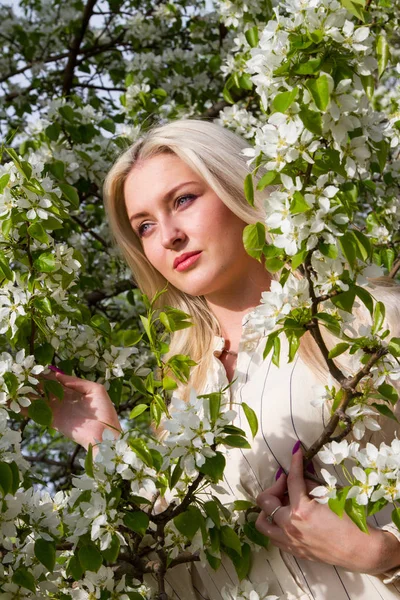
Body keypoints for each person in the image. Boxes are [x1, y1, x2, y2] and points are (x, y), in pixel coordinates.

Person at [50, 119, 400, 599]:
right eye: (145, 226)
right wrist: (102, 443)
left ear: (239, 187)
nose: (168, 235)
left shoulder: (365, 319)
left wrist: (384, 554)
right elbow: (174, 576)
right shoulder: (183, 395)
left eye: (183, 200)